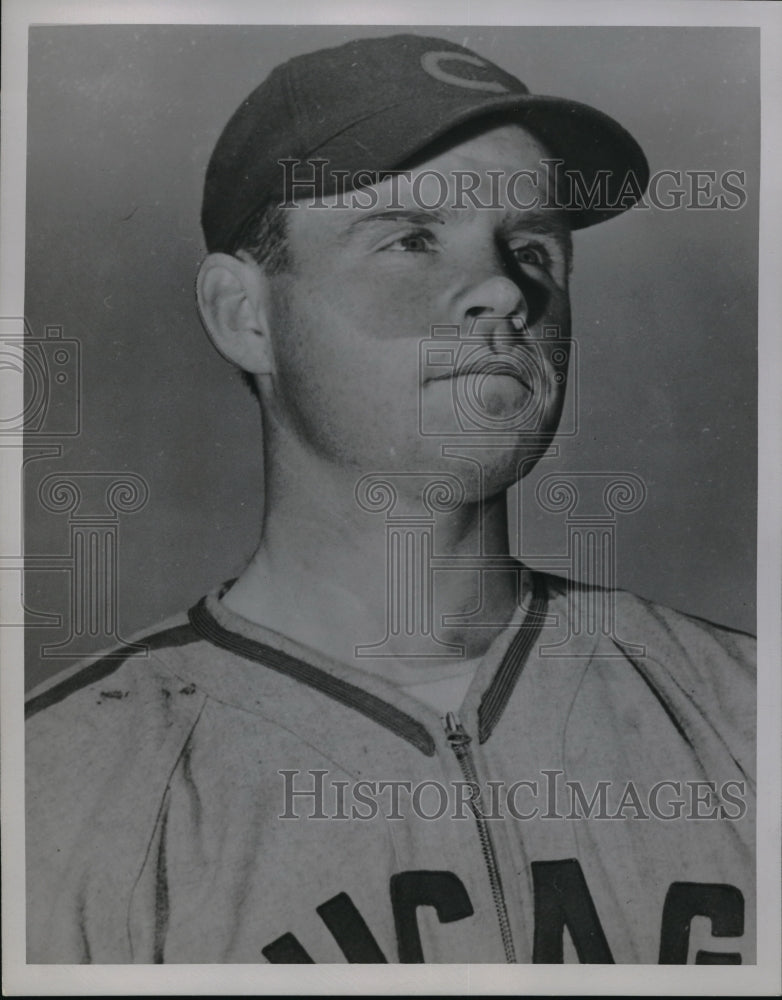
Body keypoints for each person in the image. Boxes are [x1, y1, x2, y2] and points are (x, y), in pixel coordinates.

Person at [25, 33, 755, 964]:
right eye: (411, 238)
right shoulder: (60, 790)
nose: (502, 288)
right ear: (245, 315)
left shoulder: (741, 715)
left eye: (531, 245)